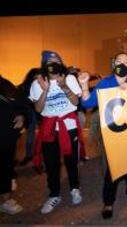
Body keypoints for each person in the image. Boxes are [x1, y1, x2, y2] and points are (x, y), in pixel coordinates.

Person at [78, 52, 127, 219]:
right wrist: (84, 85)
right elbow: (87, 103)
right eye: (119, 60)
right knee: (113, 168)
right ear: (114, 64)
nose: (122, 63)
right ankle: (108, 202)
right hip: (112, 134)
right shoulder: (106, 83)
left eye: (126, 61)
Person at [30, 50, 84, 214]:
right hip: (49, 127)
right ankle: (54, 194)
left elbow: (75, 102)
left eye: (57, 61)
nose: (53, 64)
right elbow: (38, 109)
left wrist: (63, 85)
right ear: (45, 65)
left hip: (68, 126)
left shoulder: (69, 78)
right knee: (52, 163)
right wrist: (45, 90)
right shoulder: (38, 83)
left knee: (71, 160)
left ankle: (74, 188)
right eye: (50, 61)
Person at [0, 75, 25, 215]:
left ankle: (6, 200)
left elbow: (20, 104)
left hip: (6, 137)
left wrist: (21, 115)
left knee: (5, 168)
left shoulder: (5, 84)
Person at [17, 68, 41, 166]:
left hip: (32, 112)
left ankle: (30, 156)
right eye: (36, 76)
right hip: (32, 112)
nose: (38, 78)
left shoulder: (23, 86)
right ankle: (32, 156)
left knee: (32, 135)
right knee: (33, 135)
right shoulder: (29, 86)